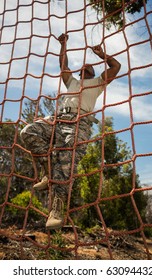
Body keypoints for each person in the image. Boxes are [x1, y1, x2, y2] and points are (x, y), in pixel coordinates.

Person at [20, 33, 121, 230]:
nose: (85, 66)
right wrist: (63, 45)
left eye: (89, 67)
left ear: (92, 73)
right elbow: (63, 66)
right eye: (83, 66)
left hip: (78, 123)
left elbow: (116, 67)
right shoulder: (72, 82)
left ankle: (56, 210)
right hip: (57, 120)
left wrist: (102, 55)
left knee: (66, 161)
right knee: (28, 132)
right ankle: (48, 171)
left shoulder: (98, 83)